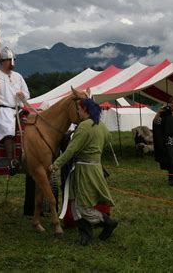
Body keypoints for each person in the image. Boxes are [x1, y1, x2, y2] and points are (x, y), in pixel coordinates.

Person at [49, 98, 117, 246]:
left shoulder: (84, 126)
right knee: (76, 205)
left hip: (85, 170)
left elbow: (72, 149)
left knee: (82, 206)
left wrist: (56, 165)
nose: (78, 111)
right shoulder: (102, 126)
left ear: (85, 109)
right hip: (95, 167)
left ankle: (107, 222)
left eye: (79, 109)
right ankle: (85, 234)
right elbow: (108, 139)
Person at [0, 46, 30, 174]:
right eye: (9, 60)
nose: (11, 62)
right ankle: (11, 161)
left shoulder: (18, 76)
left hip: (18, 109)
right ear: (2, 61)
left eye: (13, 59)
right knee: (8, 129)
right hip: (2, 111)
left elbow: (27, 93)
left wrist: (22, 94)